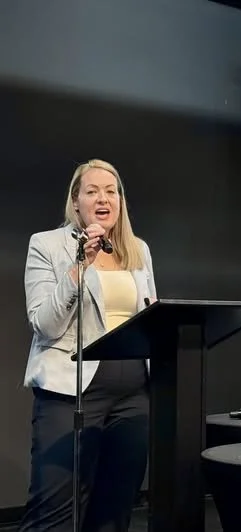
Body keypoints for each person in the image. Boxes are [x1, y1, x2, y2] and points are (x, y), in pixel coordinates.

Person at [19, 159, 157, 532]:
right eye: (92, 191)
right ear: (76, 201)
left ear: (120, 201)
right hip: (71, 392)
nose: (103, 198)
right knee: (53, 513)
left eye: (111, 191)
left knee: (115, 510)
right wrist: (80, 267)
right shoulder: (47, 245)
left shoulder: (138, 250)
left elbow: (150, 316)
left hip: (133, 398)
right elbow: (45, 324)